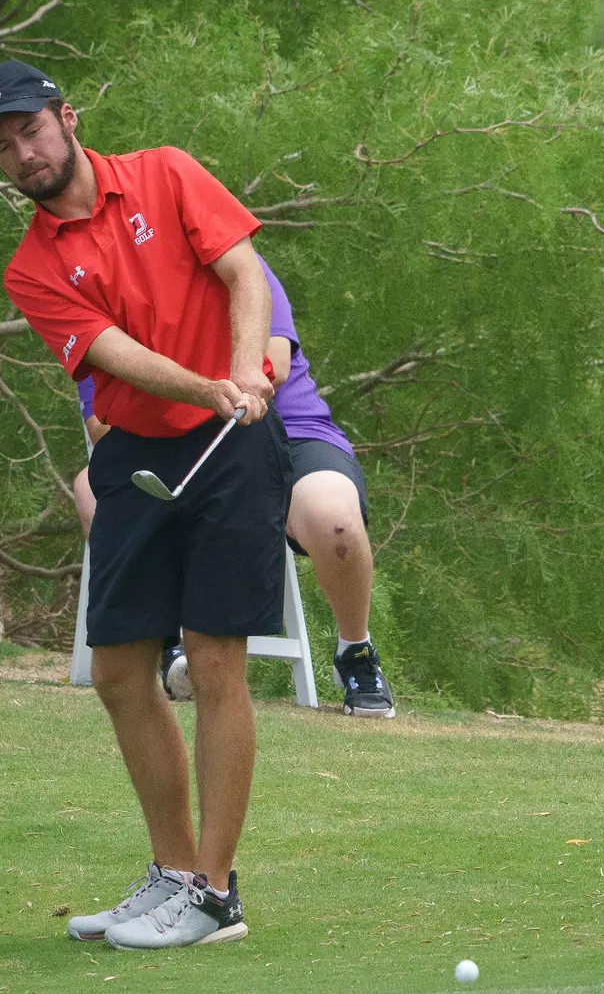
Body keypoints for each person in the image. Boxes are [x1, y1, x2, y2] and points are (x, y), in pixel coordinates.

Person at [0, 59, 287, 951]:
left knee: (215, 663)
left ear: (66, 119)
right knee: (117, 671)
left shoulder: (165, 173)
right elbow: (111, 353)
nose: (23, 153)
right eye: (2, 146)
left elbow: (244, 273)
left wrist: (242, 372)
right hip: (139, 454)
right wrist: (206, 385)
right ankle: (175, 872)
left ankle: (216, 894)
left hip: (232, 448)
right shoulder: (33, 268)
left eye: (31, 130)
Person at [71, 254, 395, 718]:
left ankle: (355, 651)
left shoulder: (237, 263)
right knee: (91, 488)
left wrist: (178, 386)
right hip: (170, 448)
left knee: (335, 523)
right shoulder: (105, 304)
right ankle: (166, 642)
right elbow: (101, 427)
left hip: (290, 430)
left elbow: (272, 366)